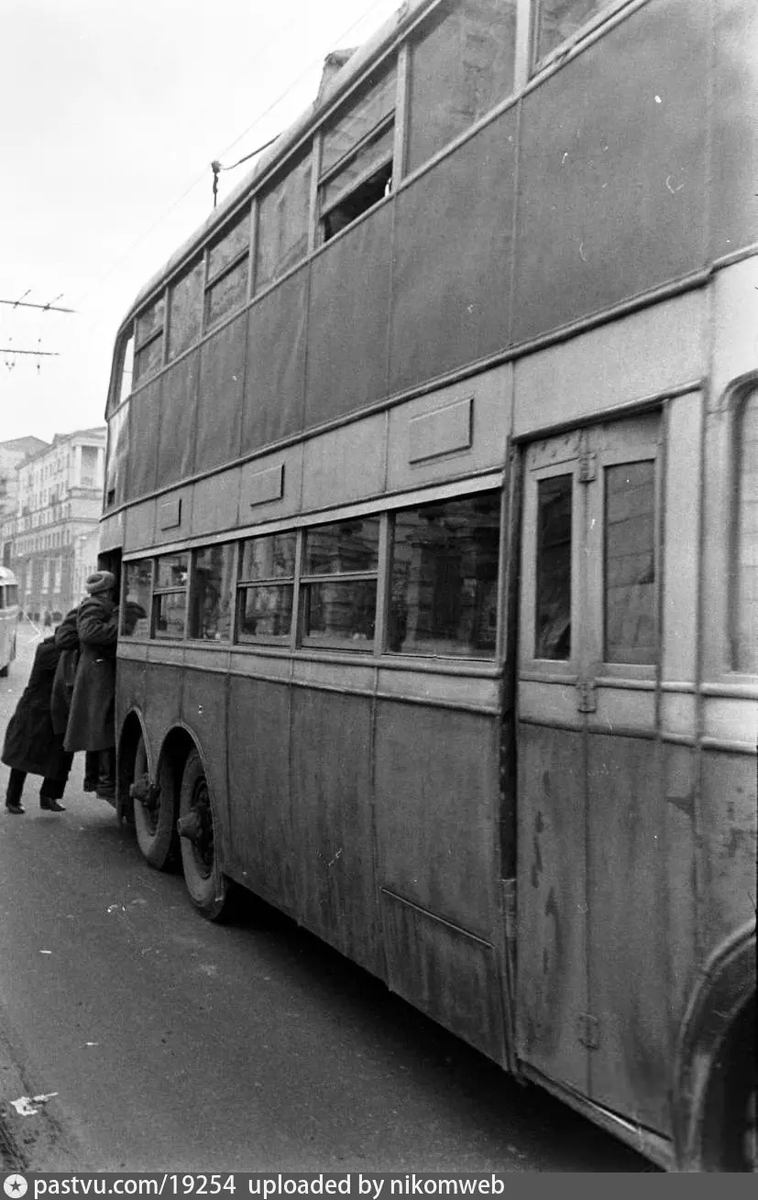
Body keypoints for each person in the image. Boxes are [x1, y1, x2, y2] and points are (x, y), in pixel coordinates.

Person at [2, 633, 74, 814]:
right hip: (36, 710)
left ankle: (48, 797)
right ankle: (13, 799)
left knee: (60, 754)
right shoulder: (48, 651)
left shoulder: (58, 649)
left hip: (53, 710)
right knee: (24, 755)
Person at [63, 570, 119, 799]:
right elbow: (89, 633)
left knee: (98, 725)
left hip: (96, 671)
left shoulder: (94, 604)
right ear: (108, 590)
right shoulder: (95, 605)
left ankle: (97, 780)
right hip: (98, 673)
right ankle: (103, 781)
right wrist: (120, 624)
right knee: (102, 726)